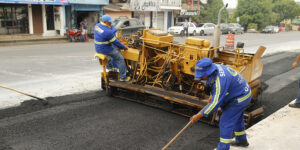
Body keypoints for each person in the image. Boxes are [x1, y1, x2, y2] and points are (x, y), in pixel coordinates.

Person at [190, 58, 251, 150]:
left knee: (225, 122)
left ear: (208, 73)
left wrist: (198, 115)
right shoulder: (215, 68)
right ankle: (242, 141)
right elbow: (213, 85)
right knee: (237, 118)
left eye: (202, 76)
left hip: (240, 97)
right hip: (241, 92)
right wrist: (211, 94)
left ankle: (223, 148)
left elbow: (214, 104)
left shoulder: (220, 81)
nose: (201, 78)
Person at [94, 14, 130, 81]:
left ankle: (111, 69)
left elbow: (111, 28)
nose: (111, 23)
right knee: (120, 58)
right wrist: (124, 47)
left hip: (98, 47)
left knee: (113, 52)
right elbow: (116, 42)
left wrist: (113, 30)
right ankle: (123, 77)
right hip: (105, 49)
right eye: (109, 22)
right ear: (105, 22)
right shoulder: (107, 32)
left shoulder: (97, 26)